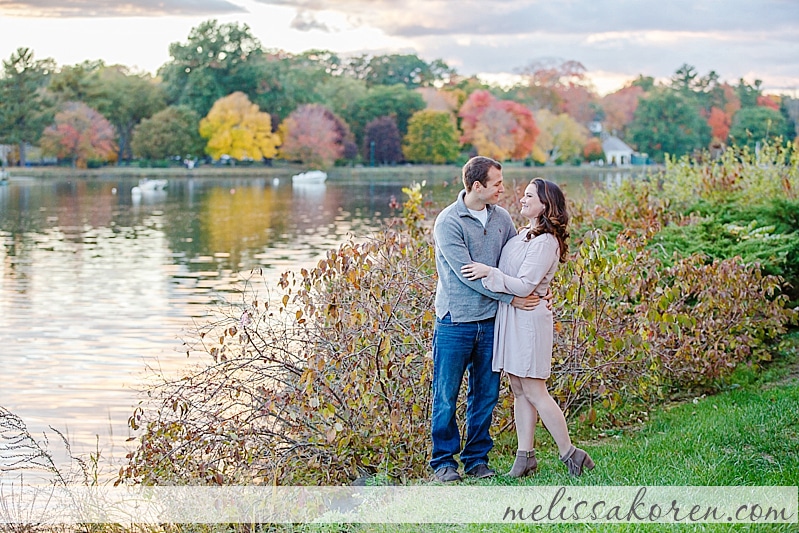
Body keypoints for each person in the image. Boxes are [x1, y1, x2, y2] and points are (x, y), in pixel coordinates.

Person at [461, 178, 595, 477]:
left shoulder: (546, 242)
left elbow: (525, 285)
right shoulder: (524, 235)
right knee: (520, 389)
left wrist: (488, 272)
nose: (522, 199)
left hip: (530, 319)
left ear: (545, 205)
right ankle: (525, 458)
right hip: (512, 317)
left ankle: (571, 453)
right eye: (523, 195)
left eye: (529, 196)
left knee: (535, 389)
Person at [430, 156, 544, 483]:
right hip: (455, 322)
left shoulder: (503, 218)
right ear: (477, 186)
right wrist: (512, 297)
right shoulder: (448, 222)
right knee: (446, 393)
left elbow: (514, 257)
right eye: (496, 183)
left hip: (493, 322)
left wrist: (539, 282)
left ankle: (477, 460)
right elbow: (466, 275)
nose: (502, 188)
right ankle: (443, 463)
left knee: (486, 395)